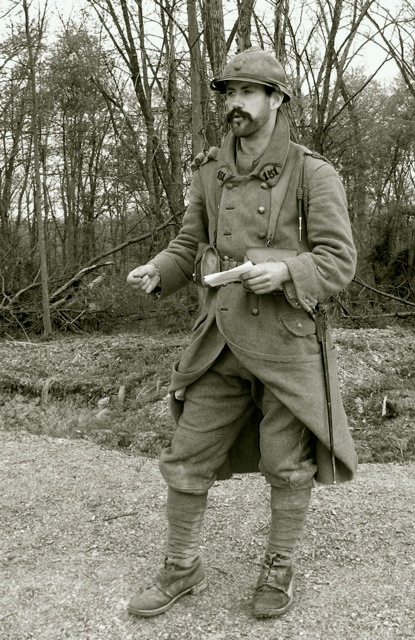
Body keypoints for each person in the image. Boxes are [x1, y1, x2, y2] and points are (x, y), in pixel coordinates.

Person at [126, 47, 357, 619]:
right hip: (220, 337)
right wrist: (160, 269)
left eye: (248, 92)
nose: (235, 104)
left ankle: (278, 568)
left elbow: (338, 260)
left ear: (277, 100)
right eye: (228, 93)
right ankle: (182, 567)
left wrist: (285, 270)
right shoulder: (209, 172)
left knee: (286, 463)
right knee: (187, 456)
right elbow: (188, 244)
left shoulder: (313, 173)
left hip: (286, 342)